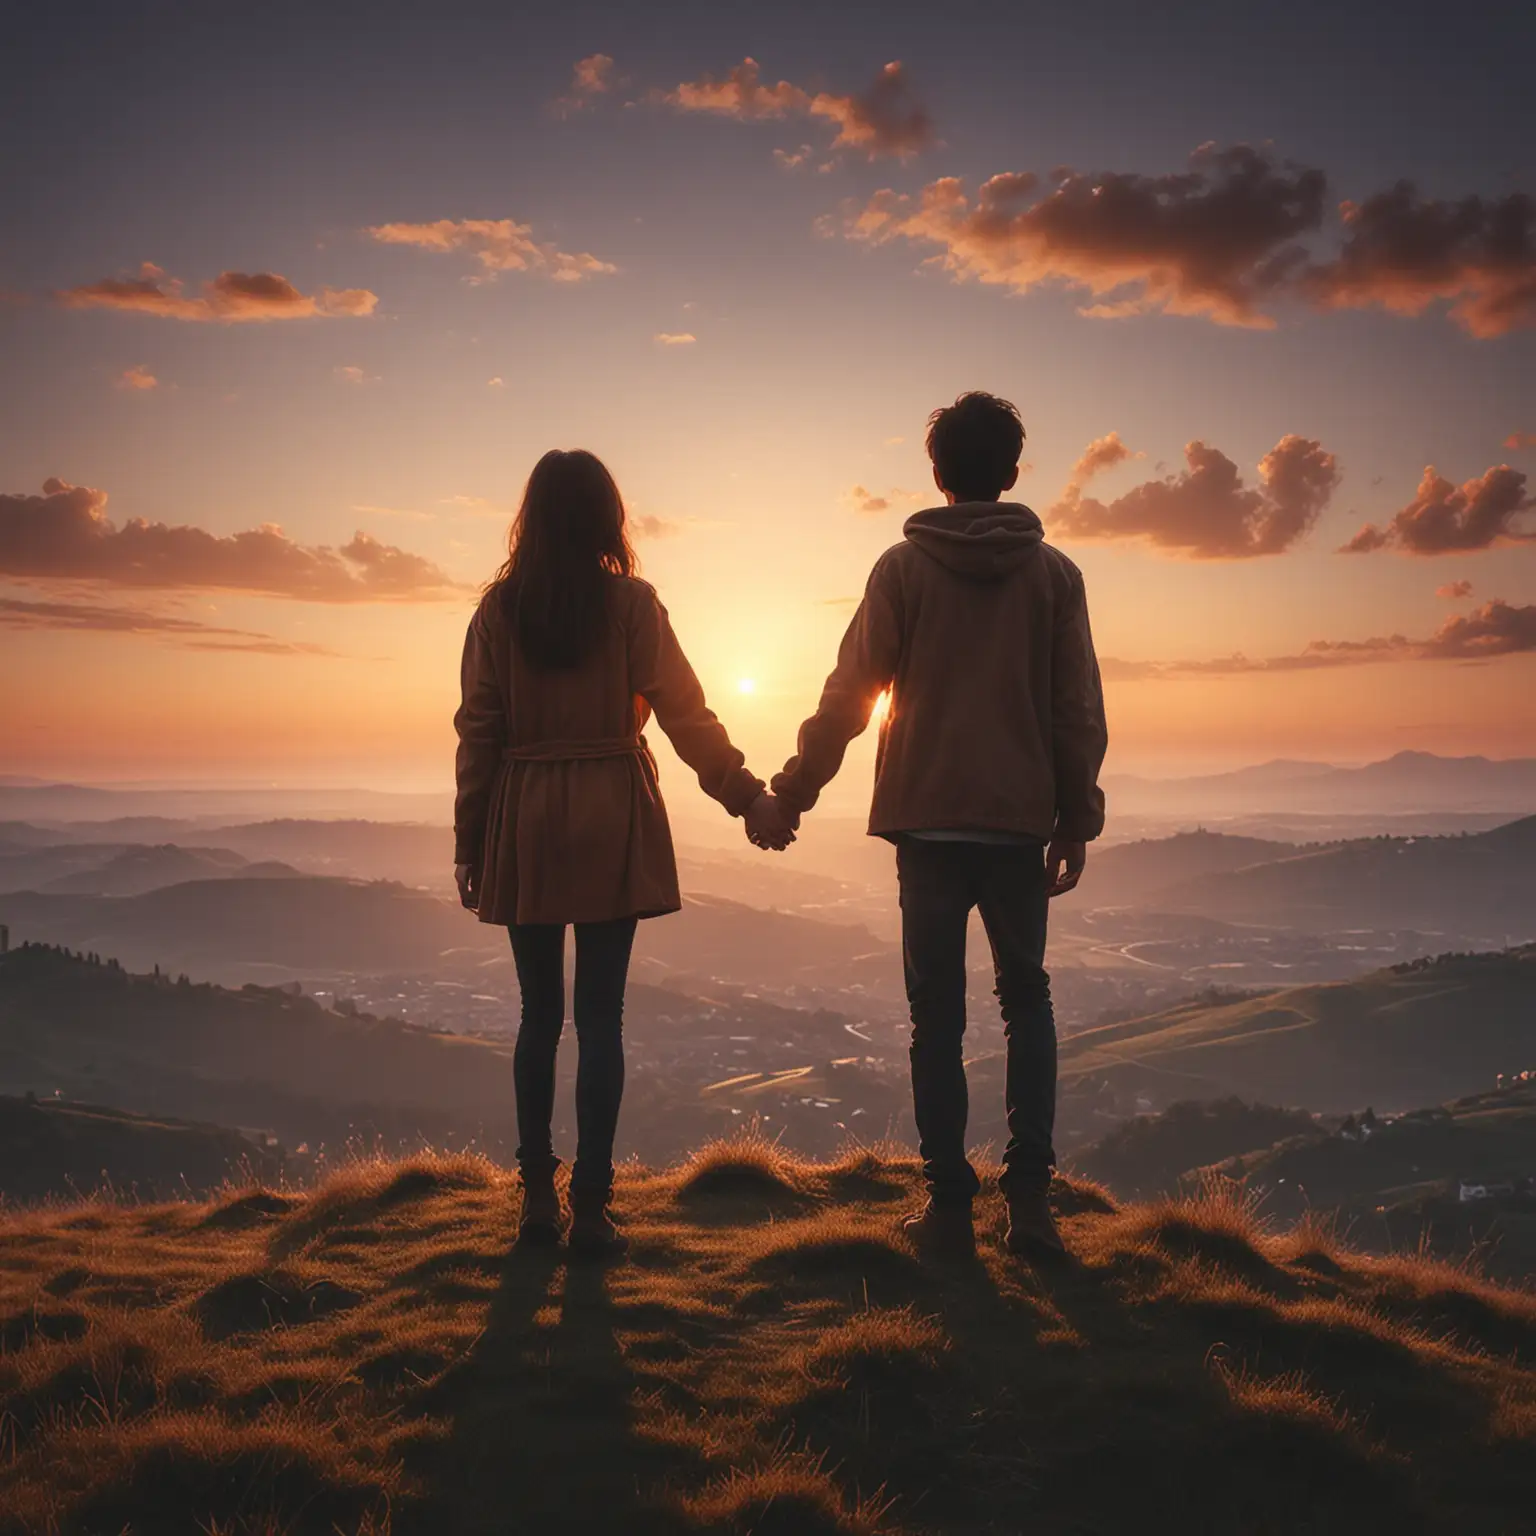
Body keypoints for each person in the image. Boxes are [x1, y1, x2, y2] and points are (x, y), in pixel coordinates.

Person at [759, 393, 1108, 1262]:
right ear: (1014, 472)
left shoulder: (901, 571)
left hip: (927, 822)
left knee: (936, 1020)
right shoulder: (1055, 576)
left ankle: (949, 1206)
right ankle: (1029, 1207)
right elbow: (1077, 712)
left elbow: (849, 696)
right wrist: (1076, 818)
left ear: (938, 474)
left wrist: (794, 792)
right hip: (1021, 822)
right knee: (1027, 1002)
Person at [454, 449, 790, 1257]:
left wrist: (471, 840)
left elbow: (478, 736)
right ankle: (593, 1211)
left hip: (526, 812)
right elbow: (686, 716)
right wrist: (749, 797)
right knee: (602, 1017)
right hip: (611, 807)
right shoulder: (632, 606)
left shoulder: (497, 614)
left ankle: (537, 1199)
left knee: (539, 1014)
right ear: (609, 517)